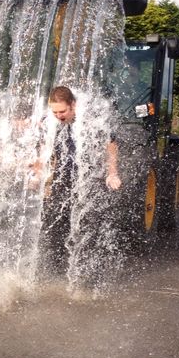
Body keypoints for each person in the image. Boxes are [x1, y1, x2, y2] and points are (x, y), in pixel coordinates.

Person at [39, 85, 121, 275]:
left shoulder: (90, 120)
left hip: (89, 179)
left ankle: (88, 273)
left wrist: (112, 172)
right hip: (63, 178)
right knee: (55, 225)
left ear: (73, 105)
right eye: (55, 112)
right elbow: (43, 149)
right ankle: (57, 272)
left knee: (87, 227)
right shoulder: (50, 122)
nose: (58, 116)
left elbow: (111, 144)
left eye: (62, 111)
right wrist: (37, 171)